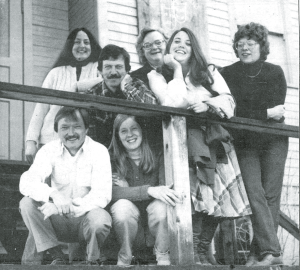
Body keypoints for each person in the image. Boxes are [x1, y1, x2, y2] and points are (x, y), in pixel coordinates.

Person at [147, 27, 252, 265]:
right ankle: (193, 250)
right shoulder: (157, 75)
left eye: (187, 42)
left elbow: (229, 101)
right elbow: (172, 102)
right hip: (183, 143)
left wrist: (208, 104)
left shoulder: (208, 71)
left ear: (194, 48)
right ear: (168, 47)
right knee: (195, 199)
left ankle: (204, 249)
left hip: (214, 140)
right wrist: (175, 70)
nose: (181, 45)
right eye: (176, 41)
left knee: (218, 196)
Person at [221, 22, 288, 266]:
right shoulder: (227, 73)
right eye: (240, 44)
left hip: (274, 139)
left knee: (271, 194)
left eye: (251, 43)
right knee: (254, 193)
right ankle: (272, 251)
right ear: (235, 48)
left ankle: (257, 253)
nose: (245, 48)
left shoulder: (275, 71)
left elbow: (278, 109)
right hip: (246, 141)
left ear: (261, 46)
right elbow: (234, 110)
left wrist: (261, 112)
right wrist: (265, 112)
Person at [19, 107, 112, 266]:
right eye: (64, 127)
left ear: (86, 129)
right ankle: (56, 255)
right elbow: (27, 180)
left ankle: (91, 262)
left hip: (84, 219)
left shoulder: (99, 151)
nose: (71, 133)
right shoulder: (49, 150)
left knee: (100, 219)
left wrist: (66, 206)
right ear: (56, 131)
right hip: (58, 222)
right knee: (27, 204)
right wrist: (54, 195)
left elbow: (102, 195)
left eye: (77, 127)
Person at [108, 114, 182, 267]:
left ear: (142, 131)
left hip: (157, 230)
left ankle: (163, 257)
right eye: (123, 131)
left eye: (134, 128)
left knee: (162, 205)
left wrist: (128, 190)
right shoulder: (112, 160)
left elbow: (165, 190)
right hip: (130, 231)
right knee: (121, 207)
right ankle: (124, 258)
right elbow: (110, 193)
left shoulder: (159, 154)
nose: (130, 135)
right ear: (117, 136)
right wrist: (149, 191)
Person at [25, 28, 102, 164]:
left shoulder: (98, 69)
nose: (82, 46)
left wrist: (78, 86)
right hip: (51, 140)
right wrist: (31, 141)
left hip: (84, 143)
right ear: (70, 46)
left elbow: (106, 80)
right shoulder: (55, 73)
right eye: (77, 42)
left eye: (86, 42)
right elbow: (40, 109)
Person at [80, 44, 158, 148]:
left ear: (127, 70)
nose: (113, 72)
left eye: (118, 67)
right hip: (106, 155)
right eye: (108, 67)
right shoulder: (91, 95)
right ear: (100, 71)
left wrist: (126, 87)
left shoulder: (136, 85)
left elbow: (153, 108)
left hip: (137, 153)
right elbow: (89, 140)